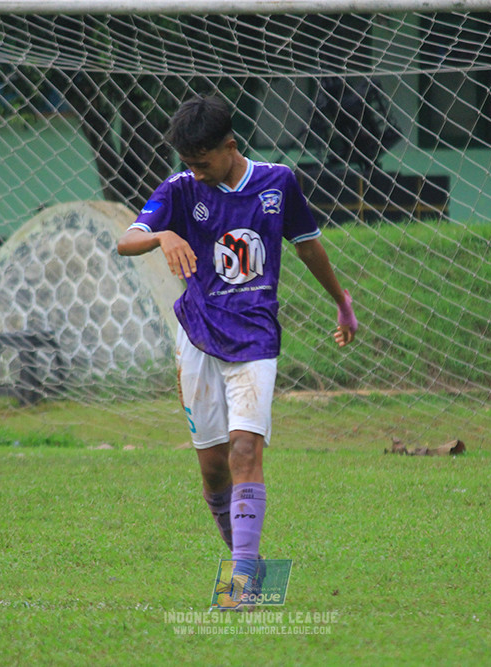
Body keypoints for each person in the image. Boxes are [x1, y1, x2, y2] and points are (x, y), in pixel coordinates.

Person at [116, 95, 358, 607]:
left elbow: (309, 244)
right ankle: (246, 559)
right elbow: (127, 240)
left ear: (230, 147)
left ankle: (242, 582)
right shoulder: (181, 190)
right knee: (212, 468)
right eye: (186, 163)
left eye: (201, 162)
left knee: (246, 450)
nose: (194, 173)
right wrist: (161, 236)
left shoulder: (278, 182)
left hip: (255, 338)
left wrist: (342, 302)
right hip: (199, 336)